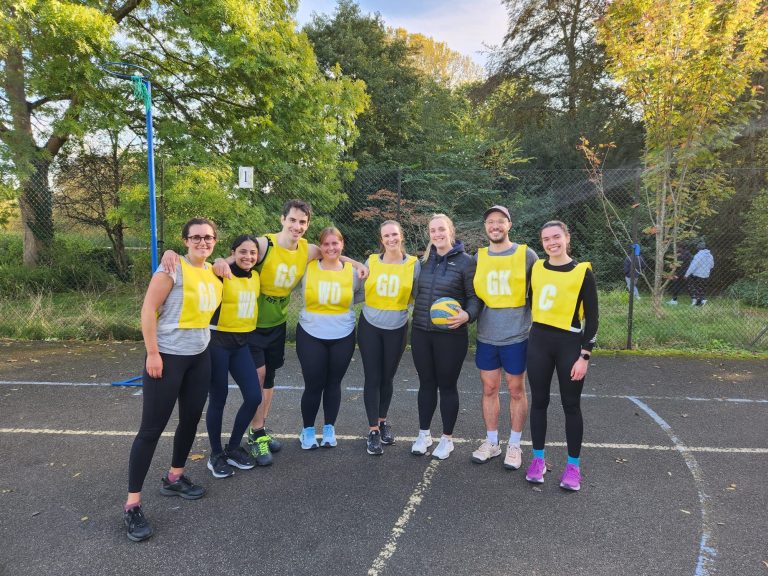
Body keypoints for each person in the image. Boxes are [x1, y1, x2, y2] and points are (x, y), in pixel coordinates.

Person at [162, 200, 366, 465]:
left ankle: (258, 428)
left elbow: (333, 253)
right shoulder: (264, 244)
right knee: (255, 380)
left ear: (307, 225)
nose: (297, 226)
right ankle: (252, 436)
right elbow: (236, 255)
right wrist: (209, 259)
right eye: (292, 220)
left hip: (277, 323)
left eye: (302, 222)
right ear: (282, 219)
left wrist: (359, 265)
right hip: (251, 324)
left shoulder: (307, 249)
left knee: (268, 379)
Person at [124, 218, 223, 542]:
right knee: (151, 430)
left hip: (199, 358)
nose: (203, 242)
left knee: (190, 421)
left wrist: (222, 262)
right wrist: (152, 353)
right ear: (185, 240)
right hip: (167, 358)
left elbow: (240, 259)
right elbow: (148, 310)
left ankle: (175, 476)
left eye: (208, 238)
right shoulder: (171, 268)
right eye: (196, 237)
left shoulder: (214, 270)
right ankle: (132, 505)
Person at [525, 220, 598, 492]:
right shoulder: (536, 269)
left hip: (569, 344)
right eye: (546, 239)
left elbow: (592, 319)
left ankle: (573, 466)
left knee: (571, 405)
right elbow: (533, 303)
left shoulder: (582, 272)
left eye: (556, 237)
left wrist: (584, 356)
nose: (551, 242)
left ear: (567, 238)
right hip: (539, 342)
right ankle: (538, 460)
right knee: (539, 402)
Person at [471, 206, 537, 470]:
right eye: (490, 221)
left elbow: (540, 290)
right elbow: (473, 296)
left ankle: (514, 445)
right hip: (487, 335)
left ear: (509, 224)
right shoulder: (478, 258)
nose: (495, 225)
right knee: (489, 389)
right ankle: (492, 442)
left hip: (517, 335)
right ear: (485, 227)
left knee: (516, 390)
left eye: (500, 221)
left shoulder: (526, 255)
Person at [410, 214, 480, 460]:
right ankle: (424, 434)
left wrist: (467, 315)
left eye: (441, 229)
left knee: (447, 386)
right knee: (426, 383)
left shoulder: (466, 262)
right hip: (420, 331)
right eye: (433, 230)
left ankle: (447, 439)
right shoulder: (423, 261)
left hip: (450, 336)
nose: (437, 234)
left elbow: (475, 297)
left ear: (451, 230)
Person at [296, 227, 362, 449]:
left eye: (335, 243)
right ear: (320, 247)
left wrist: (358, 264)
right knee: (313, 383)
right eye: (326, 244)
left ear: (342, 244)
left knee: (334, 383)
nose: (331, 248)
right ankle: (307, 430)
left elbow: (359, 294)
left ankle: (329, 428)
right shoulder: (307, 268)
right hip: (310, 333)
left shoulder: (353, 272)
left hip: (343, 333)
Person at [358, 220, 420, 455]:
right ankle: (373, 430)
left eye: (394, 234)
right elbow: (356, 289)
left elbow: (417, 294)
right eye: (386, 236)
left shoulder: (413, 264)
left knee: (388, 377)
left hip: (398, 327)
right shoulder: (371, 261)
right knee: (372, 377)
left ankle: (383, 421)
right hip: (370, 326)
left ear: (401, 236)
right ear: (381, 239)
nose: (391, 239)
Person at [205, 235, 262, 478]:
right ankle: (216, 454)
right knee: (219, 398)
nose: (248, 256)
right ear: (233, 252)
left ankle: (233, 447)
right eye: (242, 251)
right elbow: (207, 266)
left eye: (253, 252)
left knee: (253, 396)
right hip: (217, 343)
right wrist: (220, 259)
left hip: (241, 345)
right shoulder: (219, 272)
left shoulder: (256, 276)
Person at [685, 242, 715, 306]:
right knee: (701, 288)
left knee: (693, 287)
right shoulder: (710, 255)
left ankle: (697, 301)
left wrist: (686, 274)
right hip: (706, 274)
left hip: (697, 274)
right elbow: (712, 265)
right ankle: (702, 300)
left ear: (698, 248)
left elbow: (693, 266)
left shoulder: (698, 255)